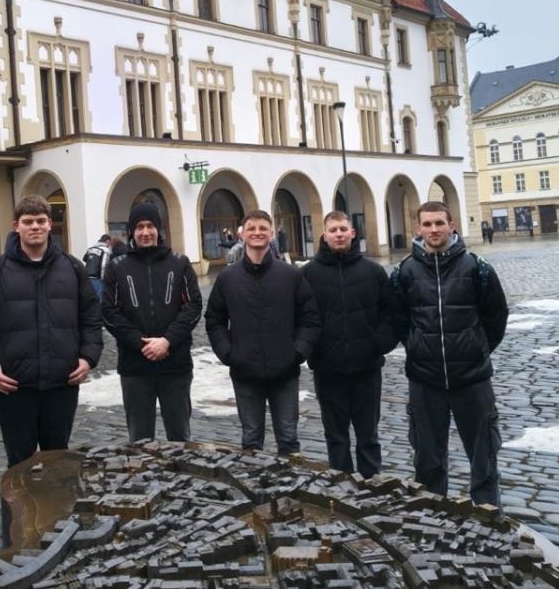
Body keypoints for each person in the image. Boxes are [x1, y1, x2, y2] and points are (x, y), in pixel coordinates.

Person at [0, 194, 102, 475]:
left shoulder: (73, 268)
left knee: (59, 464)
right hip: (14, 387)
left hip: (61, 384)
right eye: (28, 222)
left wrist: (88, 358)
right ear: (16, 226)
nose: (35, 227)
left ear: (50, 224)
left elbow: (90, 318)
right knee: (18, 468)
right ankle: (19, 520)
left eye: (41, 221)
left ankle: (57, 519)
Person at [390, 200, 509, 507]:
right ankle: (432, 515)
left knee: (483, 458)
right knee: (428, 460)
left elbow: (495, 317)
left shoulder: (477, 268)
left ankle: (488, 516)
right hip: (425, 380)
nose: (433, 229)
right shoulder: (405, 271)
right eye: (427, 224)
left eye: (439, 223)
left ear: (451, 225)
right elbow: (398, 319)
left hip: (472, 379)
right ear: (418, 228)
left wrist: (476, 348)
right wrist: (417, 345)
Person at [206, 209, 321, 455]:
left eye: (262, 229)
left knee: (289, 439)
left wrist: (297, 352)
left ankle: (291, 490)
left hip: (285, 371)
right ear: (243, 234)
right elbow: (215, 321)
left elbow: (309, 319)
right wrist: (229, 354)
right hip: (244, 371)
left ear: (271, 233)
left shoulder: (290, 275)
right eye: (252, 229)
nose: (257, 233)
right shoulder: (228, 277)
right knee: (251, 440)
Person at [301, 211, 399, 478]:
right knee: (336, 437)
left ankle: (372, 486)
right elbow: (300, 317)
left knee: (368, 436)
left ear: (353, 232)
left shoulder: (373, 271)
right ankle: (341, 488)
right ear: (324, 235)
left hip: (367, 368)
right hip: (328, 370)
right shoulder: (309, 274)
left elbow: (390, 315)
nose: (339, 234)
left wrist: (377, 344)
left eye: (343, 229)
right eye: (333, 230)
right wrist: (313, 349)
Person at [102, 202, 202, 442]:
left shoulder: (179, 263)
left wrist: (167, 341)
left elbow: (193, 306)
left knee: (179, 439)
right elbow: (109, 311)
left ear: (159, 229)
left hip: (175, 365)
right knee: (139, 441)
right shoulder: (117, 267)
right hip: (135, 367)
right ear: (131, 232)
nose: (145, 232)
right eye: (139, 227)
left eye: (150, 226)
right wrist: (141, 343)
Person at [82, 233, 113, 300]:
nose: (109, 245)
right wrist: (104, 278)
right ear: (107, 241)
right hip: (98, 279)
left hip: (88, 278)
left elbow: (85, 260)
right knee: (99, 300)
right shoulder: (105, 250)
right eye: (110, 243)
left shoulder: (90, 249)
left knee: (90, 300)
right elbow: (104, 265)